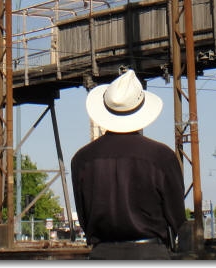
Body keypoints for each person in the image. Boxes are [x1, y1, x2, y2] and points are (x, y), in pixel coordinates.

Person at [71, 69, 186, 260]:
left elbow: (84, 219)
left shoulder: (81, 159)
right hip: (151, 255)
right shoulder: (162, 157)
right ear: (141, 109)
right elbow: (177, 219)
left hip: (102, 255)